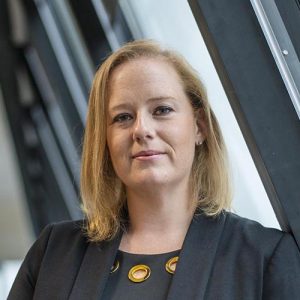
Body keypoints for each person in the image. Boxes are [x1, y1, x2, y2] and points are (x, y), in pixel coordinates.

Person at [8, 39, 300, 300]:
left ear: (199, 127)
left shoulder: (263, 258)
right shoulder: (53, 254)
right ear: (105, 140)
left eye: (162, 110)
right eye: (123, 117)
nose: (141, 129)